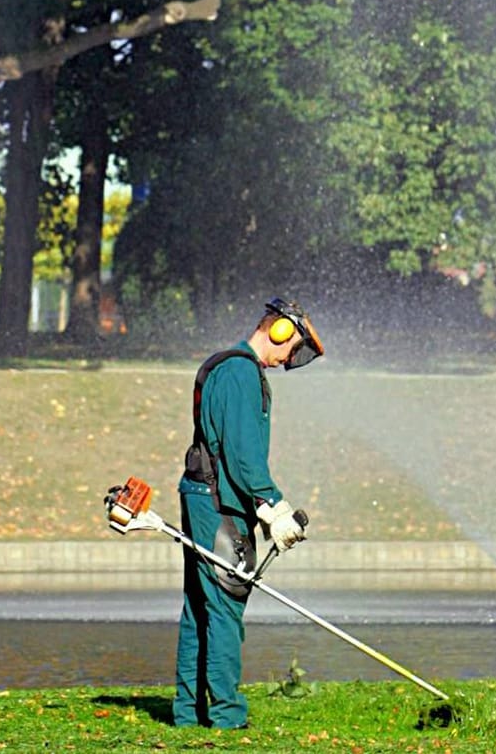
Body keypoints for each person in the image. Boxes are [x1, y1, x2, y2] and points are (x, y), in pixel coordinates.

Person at [173, 297, 325, 729]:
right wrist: (272, 506)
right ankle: (225, 714)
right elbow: (242, 456)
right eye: (291, 349)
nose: (287, 360)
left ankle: (189, 712)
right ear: (278, 330)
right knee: (224, 604)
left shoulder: (223, 365)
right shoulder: (242, 373)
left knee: (199, 608)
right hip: (221, 502)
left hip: (203, 494)